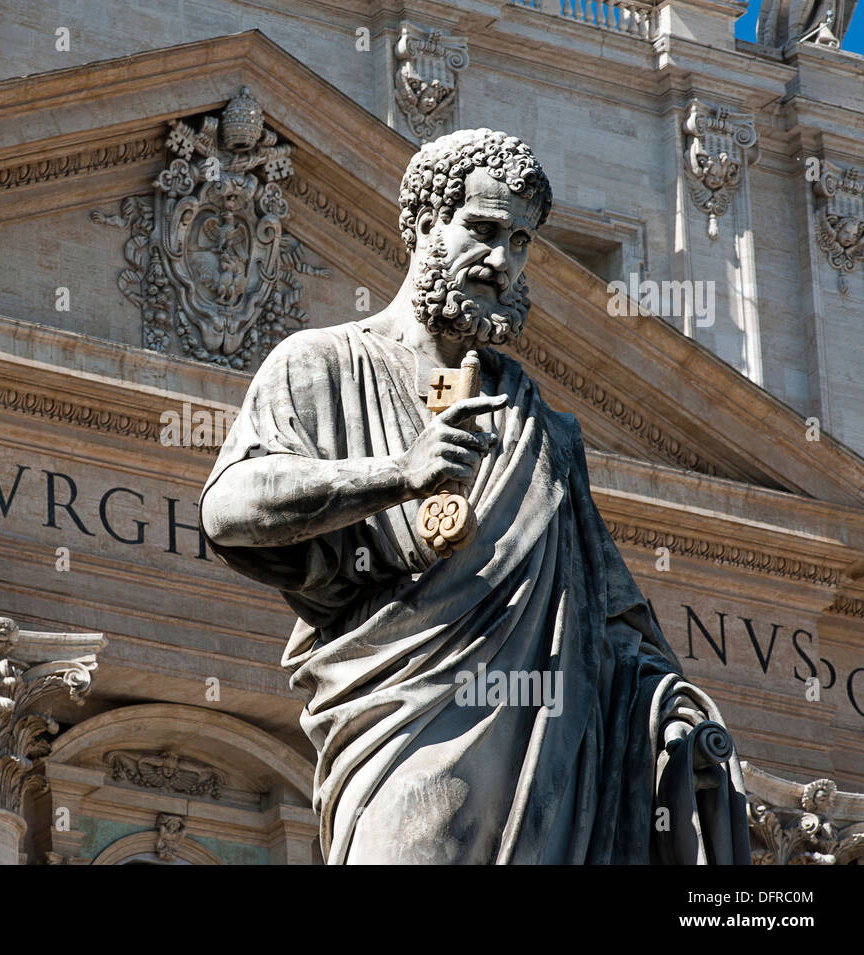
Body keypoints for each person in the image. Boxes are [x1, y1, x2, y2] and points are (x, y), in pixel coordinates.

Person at [199, 128, 750, 864]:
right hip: (401, 740)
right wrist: (398, 473)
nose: (502, 261)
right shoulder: (320, 362)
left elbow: (612, 621)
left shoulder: (545, 428)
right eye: (484, 230)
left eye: (521, 242)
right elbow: (229, 508)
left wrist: (670, 715)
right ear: (426, 224)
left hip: (547, 769)